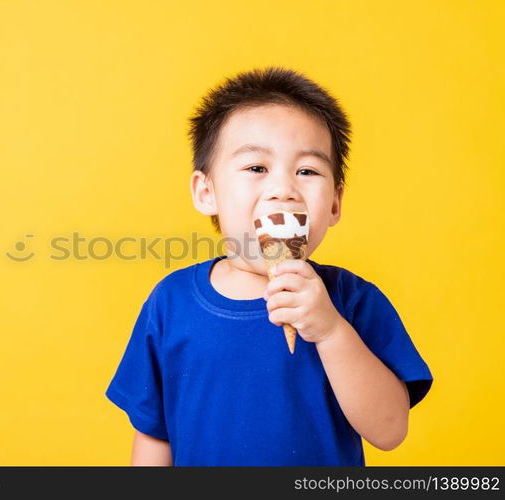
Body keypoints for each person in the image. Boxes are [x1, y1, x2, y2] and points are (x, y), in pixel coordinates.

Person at [105, 66, 433, 466]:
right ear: (206, 192)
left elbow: (389, 430)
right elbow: (154, 434)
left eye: (307, 171)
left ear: (334, 204)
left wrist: (330, 330)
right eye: (257, 168)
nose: (283, 189)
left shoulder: (353, 301)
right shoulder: (170, 303)